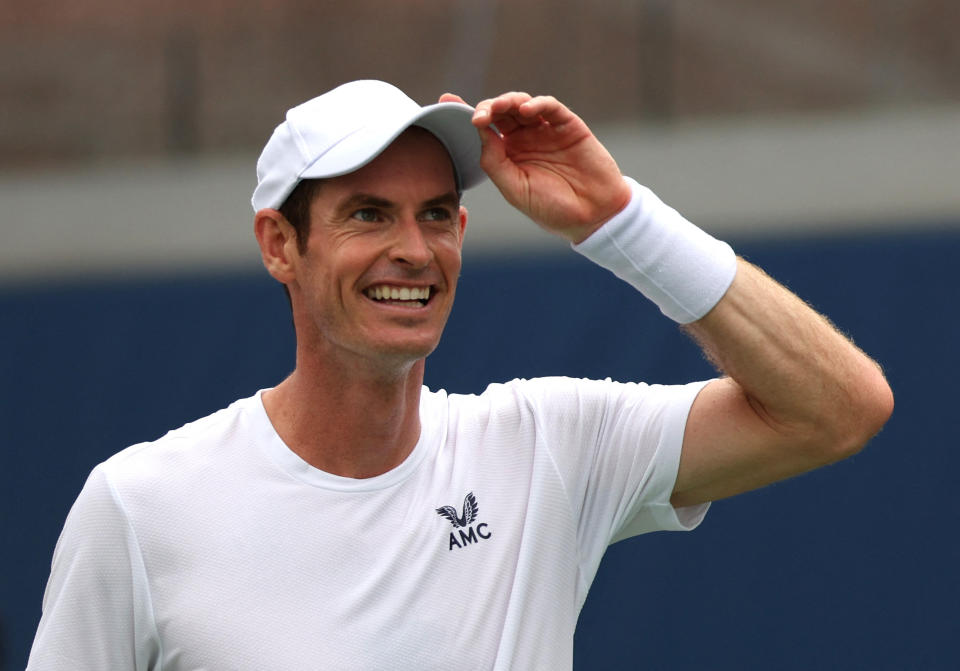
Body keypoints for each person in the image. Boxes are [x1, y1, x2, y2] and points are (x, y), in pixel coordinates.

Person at [28, 80, 893, 669]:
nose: (413, 249)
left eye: (437, 214)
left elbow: (839, 408)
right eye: (369, 214)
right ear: (280, 245)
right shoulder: (139, 507)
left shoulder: (549, 446)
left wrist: (616, 218)